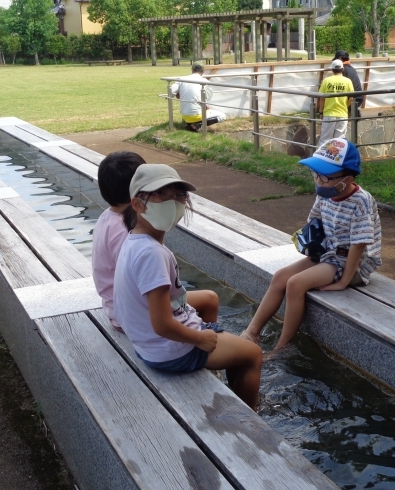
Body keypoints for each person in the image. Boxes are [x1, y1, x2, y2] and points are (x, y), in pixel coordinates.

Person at [113, 164, 262, 410]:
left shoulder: (135, 241)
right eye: (161, 194)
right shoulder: (152, 254)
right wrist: (199, 338)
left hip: (148, 344)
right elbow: (162, 324)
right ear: (138, 205)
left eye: (179, 195)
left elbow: (157, 306)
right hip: (168, 351)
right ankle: (249, 419)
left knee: (209, 298)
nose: (173, 202)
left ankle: (213, 367)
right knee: (253, 355)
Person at [240, 139, 381, 351]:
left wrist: (344, 281)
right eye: (315, 175)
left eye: (325, 177)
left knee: (295, 284)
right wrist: (310, 247)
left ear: (347, 179)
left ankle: (281, 348)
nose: (319, 182)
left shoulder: (361, 201)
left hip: (351, 264)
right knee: (280, 276)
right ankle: (252, 333)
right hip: (329, 254)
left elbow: (358, 244)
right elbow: (315, 222)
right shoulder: (326, 193)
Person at [92, 153, 218, 333]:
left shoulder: (108, 217)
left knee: (208, 298)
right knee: (209, 300)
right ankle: (205, 349)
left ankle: (208, 340)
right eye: (159, 192)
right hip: (131, 316)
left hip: (115, 307)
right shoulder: (124, 232)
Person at [171, 63, 227, 132]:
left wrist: (179, 93)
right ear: (203, 71)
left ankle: (190, 124)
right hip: (198, 115)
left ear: (192, 70)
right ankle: (198, 124)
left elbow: (170, 92)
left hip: (184, 115)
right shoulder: (204, 81)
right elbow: (208, 98)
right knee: (222, 116)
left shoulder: (181, 79)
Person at [318, 59, 354, 142]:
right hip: (342, 114)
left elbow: (322, 98)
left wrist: (321, 111)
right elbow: (351, 98)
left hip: (328, 114)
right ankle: (337, 155)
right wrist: (346, 107)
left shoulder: (326, 81)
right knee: (339, 141)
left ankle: (320, 155)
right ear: (342, 69)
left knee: (324, 139)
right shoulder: (348, 81)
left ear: (332, 69)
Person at [333, 50, 363, 117]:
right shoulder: (350, 68)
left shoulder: (343, 70)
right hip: (358, 98)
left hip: (353, 100)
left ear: (340, 58)